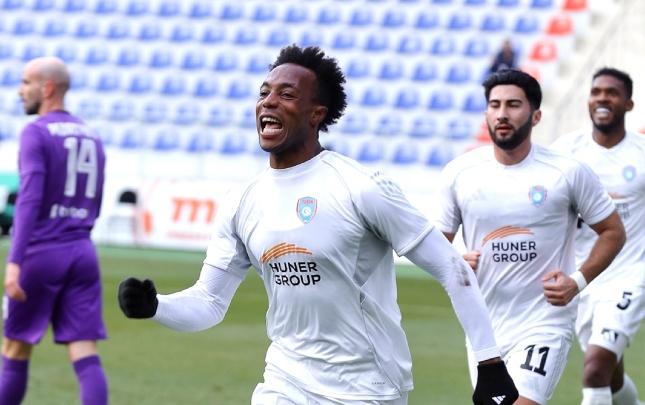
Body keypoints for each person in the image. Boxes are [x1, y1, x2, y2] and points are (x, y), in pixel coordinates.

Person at [118, 45, 518, 405]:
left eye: (286, 95)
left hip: (368, 388)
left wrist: (489, 362)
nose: (268, 101)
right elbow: (209, 301)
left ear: (316, 114)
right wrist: (156, 306)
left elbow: (451, 266)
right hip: (285, 380)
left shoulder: (361, 188)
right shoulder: (242, 201)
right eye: (264, 92)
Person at [434, 69, 626, 405]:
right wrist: (454, 261)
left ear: (535, 116)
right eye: (495, 105)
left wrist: (577, 281)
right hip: (484, 327)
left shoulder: (567, 172)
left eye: (513, 105)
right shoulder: (459, 173)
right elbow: (437, 243)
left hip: (544, 320)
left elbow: (613, 231)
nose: (502, 113)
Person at [1, 57, 108, 404]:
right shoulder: (91, 135)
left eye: (26, 82)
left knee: (14, 348)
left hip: (41, 252)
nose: (20, 90)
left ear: (47, 88)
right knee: (85, 351)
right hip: (83, 252)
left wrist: (15, 262)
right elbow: (97, 199)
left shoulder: (36, 131)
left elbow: (29, 199)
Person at [552, 68, 644, 405]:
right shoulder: (566, 152)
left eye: (612, 93)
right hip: (580, 280)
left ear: (628, 103)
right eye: (596, 92)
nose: (602, 98)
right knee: (610, 375)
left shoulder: (641, 152)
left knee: (594, 370)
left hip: (630, 277)